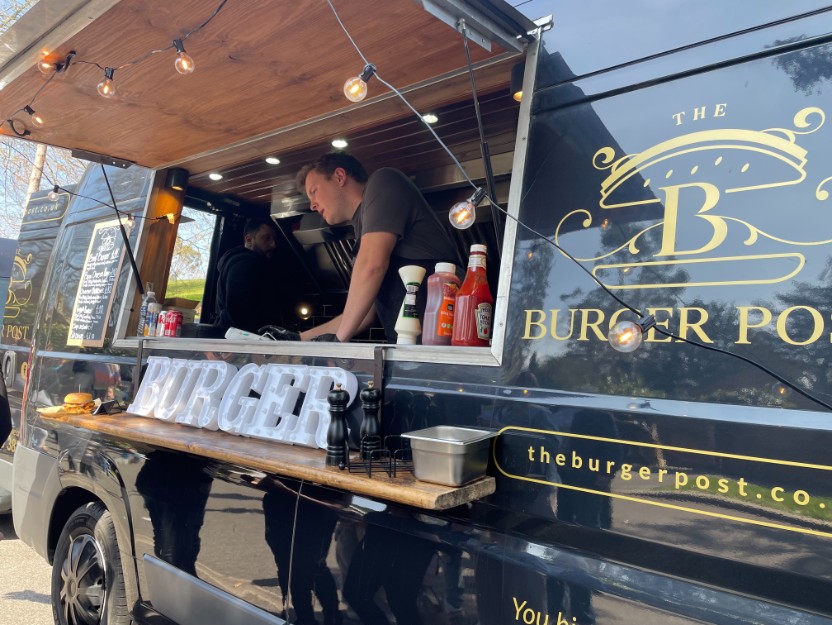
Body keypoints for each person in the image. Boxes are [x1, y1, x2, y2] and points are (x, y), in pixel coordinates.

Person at [296, 153, 456, 343]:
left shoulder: (384, 180)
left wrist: (337, 342)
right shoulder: (362, 227)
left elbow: (373, 264)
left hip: (441, 345)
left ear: (339, 176)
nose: (312, 205)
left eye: (314, 191)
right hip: (408, 349)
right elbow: (362, 314)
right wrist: (298, 338)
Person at [214, 217, 286, 334]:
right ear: (249, 240)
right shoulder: (247, 263)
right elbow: (238, 310)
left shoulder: (235, 262)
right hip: (243, 343)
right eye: (266, 238)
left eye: (274, 239)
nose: (273, 245)